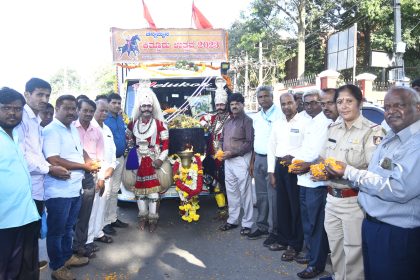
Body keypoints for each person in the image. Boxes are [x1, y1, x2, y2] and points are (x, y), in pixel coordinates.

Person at [325, 87, 420, 279]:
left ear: (418, 107)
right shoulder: (393, 136)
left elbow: (399, 188)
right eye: (387, 107)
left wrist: (349, 172)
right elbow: (376, 174)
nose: (391, 111)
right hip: (373, 223)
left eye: (398, 105)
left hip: (396, 232)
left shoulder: (413, 143)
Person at [318, 84, 385, 280]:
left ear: (360, 103)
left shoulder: (372, 131)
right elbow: (323, 158)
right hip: (331, 199)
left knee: (354, 253)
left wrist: (343, 172)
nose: (344, 106)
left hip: (354, 201)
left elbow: (374, 172)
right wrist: (322, 171)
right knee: (336, 249)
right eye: (340, 102)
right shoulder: (332, 128)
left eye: (349, 101)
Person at [43, 95, 99, 280]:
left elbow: (79, 149)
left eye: (73, 108)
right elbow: (54, 159)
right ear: (57, 108)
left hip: (75, 188)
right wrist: (84, 166)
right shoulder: (51, 130)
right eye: (66, 108)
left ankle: (67, 257)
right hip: (59, 191)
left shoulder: (71, 129)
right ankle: (57, 266)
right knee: (57, 230)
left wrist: (88, 159)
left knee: (68, 228)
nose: (71, 112)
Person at [17, 78, 69, 271]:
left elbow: (36, 154)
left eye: (47, 95)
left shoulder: (36, 120)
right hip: (26, 188)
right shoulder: (21, 119)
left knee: (32, 234)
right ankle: (25, 267)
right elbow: (22, 155)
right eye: (39, 94)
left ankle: (29, 264)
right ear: (27, 94)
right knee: (24, 235)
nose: (44, 99)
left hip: (38, 188)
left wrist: (47, 167)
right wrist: (49, 168)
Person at [290, 90, 331, 278]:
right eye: (307, 103)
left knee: (316, 225)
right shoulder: (306, 120)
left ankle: (316, 264)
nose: (311, 106)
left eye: (315, 102)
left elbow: (325, 154)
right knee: (307, 223)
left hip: (317, 181)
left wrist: (309, 165)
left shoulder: (328, 121)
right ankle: (311, 255)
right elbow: (303, 147)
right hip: (303, 179)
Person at [0, 87, 41, 280]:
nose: (12, 113)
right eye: (6, 108)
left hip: (25, 217)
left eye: (17, 109)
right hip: (4, 221)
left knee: (24, 270)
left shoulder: (15, 135)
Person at [267, 93, 309, 262]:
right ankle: (283, 239)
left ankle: (295, 245)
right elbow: (271, 147)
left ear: (296, 104)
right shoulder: (277, 123)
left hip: (296, 168)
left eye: (289, 103)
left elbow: (308, 147)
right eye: (283, 104)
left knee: (295, 208)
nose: (286, 107)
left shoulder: (305, 122)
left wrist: (295, 157)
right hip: (280, 167)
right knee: (282, 206)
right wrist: (271, 172)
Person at [126, 84, 169, 232]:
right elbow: (129, 141)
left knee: (153, 193)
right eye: (143, 106)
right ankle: (142, 218)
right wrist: (130, 147)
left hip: (154, 160)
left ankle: (153, 219)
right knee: (138, 192)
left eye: (148, 106)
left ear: (152, 108)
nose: (146, 109)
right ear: (139, 107)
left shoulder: (160, 124)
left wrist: (160, 160)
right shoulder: (132, 124)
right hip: (137, 161)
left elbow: (166, 146)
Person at [247, 86, 284, 247]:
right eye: (260, 97)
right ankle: (262, 226)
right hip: (259, 158)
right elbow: (257, 140)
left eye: (265, 96)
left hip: (274, 160)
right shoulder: (257, 117)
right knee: (261, 195)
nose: (262, 99)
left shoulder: (280, 115)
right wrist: (252, 161)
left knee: (273, 197)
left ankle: (275, 231)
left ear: (272, 97)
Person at [72, 98, 105, 257]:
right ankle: (69, 247)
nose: (88, 114)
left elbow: (101, 156)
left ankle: (80, 245)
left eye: (91, 111)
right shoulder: (70, 127)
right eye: (85, 110)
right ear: (78, 110)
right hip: (70, 174)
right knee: (71, 212)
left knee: (86, 212)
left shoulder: (97, 130)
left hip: (90, 175)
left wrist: (101, 178)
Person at [218, 93, 254, 235]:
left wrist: (232, 153)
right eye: (232, 104)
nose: (234, 106)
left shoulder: (247, 121)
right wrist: (220, 150)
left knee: (245, 192)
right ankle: (232, 220)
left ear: (242, 105)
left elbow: (249, 143)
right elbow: (222, 139)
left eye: (237, 103)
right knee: (231, 191)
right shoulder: (228, 122)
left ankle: (247, 223)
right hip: (228, 161)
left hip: (240, 160)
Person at [86, 99, 117, 247]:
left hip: (108, 174)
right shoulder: (89, 128)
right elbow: (90, 156)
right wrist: (100, 175)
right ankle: (88, 239)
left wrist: (112, 167)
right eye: (101, 110)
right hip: (95, 175)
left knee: (101, 207)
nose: (104, 113)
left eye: (106, 111)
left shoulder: (107, 128)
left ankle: (98, 233)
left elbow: (112, 151)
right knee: (91, 209)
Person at [200, 82, 230, 219]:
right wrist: (206, 124)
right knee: (215, 184)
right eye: (217, 105)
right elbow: (200, 119)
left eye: (222, 105)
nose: (219, 107)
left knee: (228, 185)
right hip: (213, 156)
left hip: (228, 156)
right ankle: (222, 209)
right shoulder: (212, 118)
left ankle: (232, 210)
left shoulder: (231, 118)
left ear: (226, 104)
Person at [103, 93, 129, 235]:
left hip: (120, 158)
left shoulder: (119, 118)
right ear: (108, 104)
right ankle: (104, 223)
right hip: (108, 161)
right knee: (107, 192)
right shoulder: (104, 119)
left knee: (114, 191)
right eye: (114, 103)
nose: (117, 105)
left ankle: (112, 218)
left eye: (119, 103)